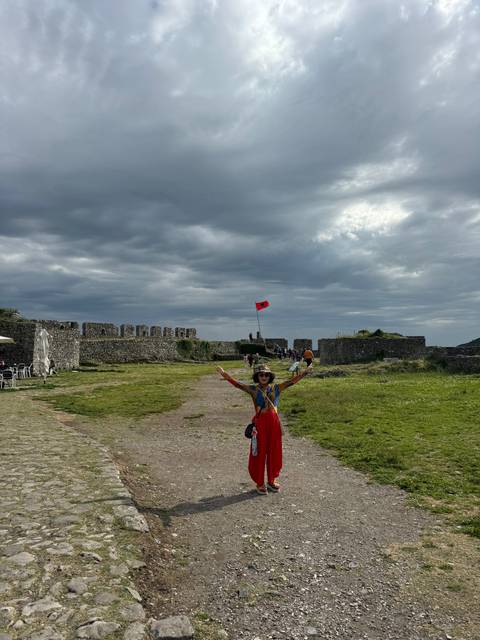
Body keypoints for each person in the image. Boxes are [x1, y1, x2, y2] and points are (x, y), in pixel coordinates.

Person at [217, 362, 313, 495]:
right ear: (257, 376)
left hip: (274, 424)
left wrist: (305, 372)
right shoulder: (253, 390)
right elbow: (238, 384)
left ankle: (272, 480)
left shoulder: (276, 388)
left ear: (270, 376)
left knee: (274, 451)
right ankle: (260, 482)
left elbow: (292, 381)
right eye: (261, 374)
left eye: (266, 375)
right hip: (261, 424)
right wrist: (225, 374)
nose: (264, 377)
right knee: (260, 452)